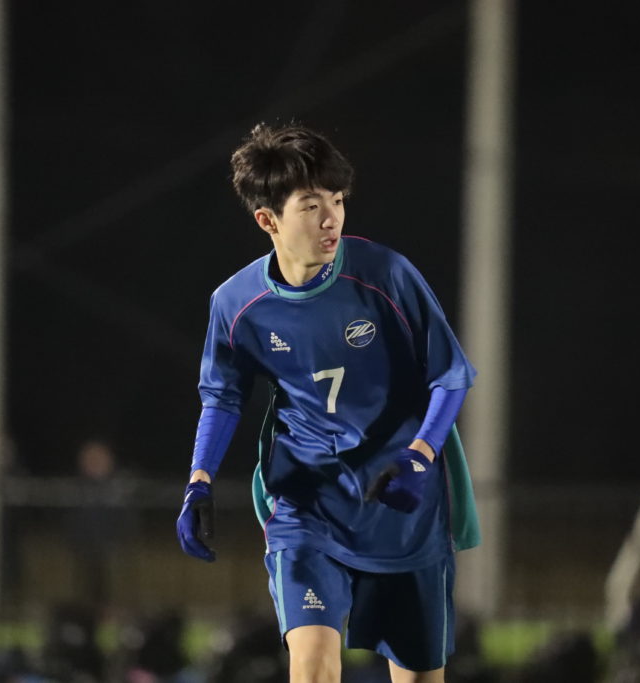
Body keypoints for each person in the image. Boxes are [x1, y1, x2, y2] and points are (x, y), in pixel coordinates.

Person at [176, 124, 480, 683]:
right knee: (312, 665)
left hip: (400, 506)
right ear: (268, 220)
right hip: (306, 503)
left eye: (337, 201)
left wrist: (419, 455)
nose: (331, 218)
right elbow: (222, 395)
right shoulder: (237, 303)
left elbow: (451, 376)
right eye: (311, 205)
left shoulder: (386, 275)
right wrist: (199, 479)